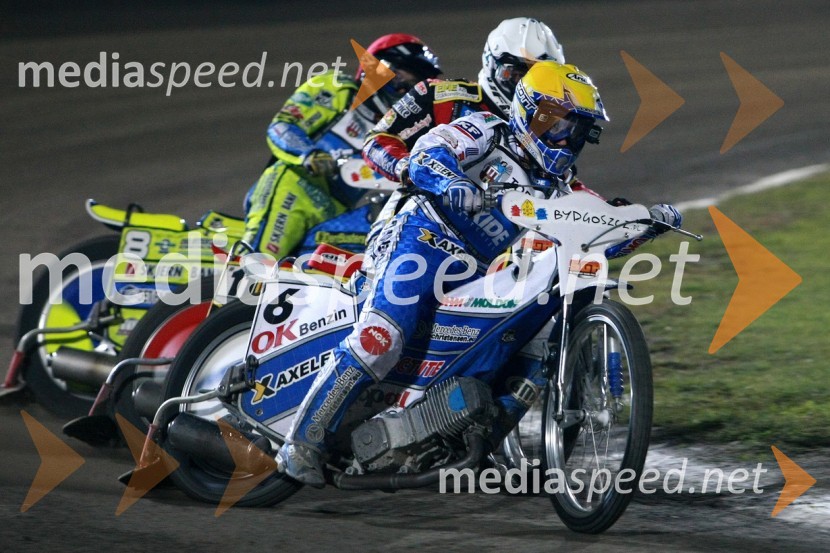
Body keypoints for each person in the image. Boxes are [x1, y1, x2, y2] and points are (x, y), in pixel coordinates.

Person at [278, 61, 682, 487]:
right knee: (382, 337)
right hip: (422, 236)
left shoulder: (560, 184)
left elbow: (599, 229)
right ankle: (300, 443)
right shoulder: (488, 130)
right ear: (530, 111)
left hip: (477, 270)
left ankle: (455, 433)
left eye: (577, 131)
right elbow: (427, 153)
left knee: (524, 339)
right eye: (559, 125)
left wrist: (645, 223)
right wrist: (453, 180)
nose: (566, 139)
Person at [242, 34, 442, 256]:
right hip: (295, 187)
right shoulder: (337, 88)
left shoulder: (403, 130)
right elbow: (283, 125)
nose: (414, 86)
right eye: (410, 73)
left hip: (337, 210)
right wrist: (309, 154)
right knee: (258, 261)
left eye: (421, 79)